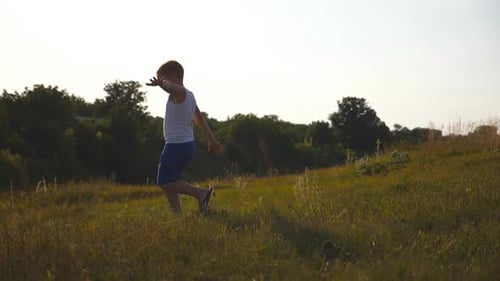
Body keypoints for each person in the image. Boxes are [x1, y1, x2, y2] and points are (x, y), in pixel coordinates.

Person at [146, 60, 224, 214]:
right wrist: (212, 141)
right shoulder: (190, 96)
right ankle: (177, 214)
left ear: (173, 76)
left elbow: (171, 88)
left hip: (176, 145)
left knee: (164, 182)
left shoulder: (179, 92)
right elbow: (200, 121)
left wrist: (162, 85)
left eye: (163, 78)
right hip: (186, 145)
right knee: (171, 180)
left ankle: (200, 193)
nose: (162, 81)